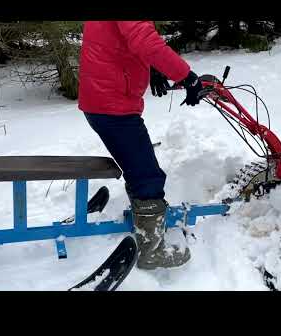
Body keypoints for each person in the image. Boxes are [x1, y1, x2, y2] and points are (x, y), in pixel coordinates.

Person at [78, 21, 203, 270]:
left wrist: (153, 69)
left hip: (103, 100)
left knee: (140, 168)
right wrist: (186, 77)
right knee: (148, 177)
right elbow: (145, 41)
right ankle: (152, 252)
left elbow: (120, 40)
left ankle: (144, 219)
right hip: (112, 106)